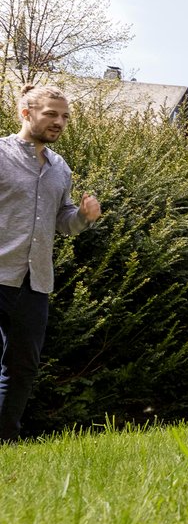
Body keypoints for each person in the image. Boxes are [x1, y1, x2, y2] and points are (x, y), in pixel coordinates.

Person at [0, 84, 101, 441]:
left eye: (65, 116)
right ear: (26, 114)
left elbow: (63, 222)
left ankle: (6, 439)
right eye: (51, 114)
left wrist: (84, 217)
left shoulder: (61, 168)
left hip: (34, 281)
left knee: (22, 367)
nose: (59, 122)